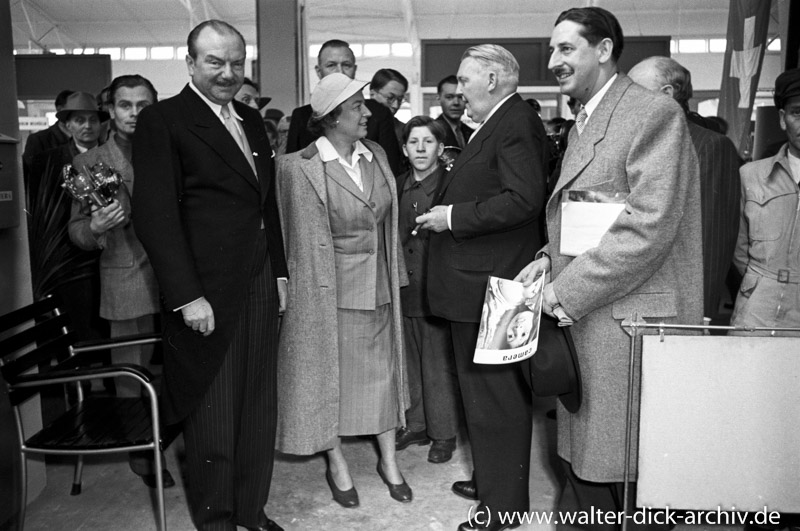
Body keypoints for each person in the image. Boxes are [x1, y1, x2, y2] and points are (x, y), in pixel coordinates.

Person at [515, 7, 702, 529]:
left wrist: (562, 292)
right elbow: (586, 215)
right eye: (551, 49)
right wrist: (546, 263)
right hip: (595, 317)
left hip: (626, 324)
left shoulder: (650, 114)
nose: (553, 60)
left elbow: (647, 227)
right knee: (588, 469)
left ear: (603, 50)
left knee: (621, 477)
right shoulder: (589, 118)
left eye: (566, 48)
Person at [132, 20, 287, 531]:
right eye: (215, 62)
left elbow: (266, 204)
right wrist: (187, 296)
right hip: (205, 291)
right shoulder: (164, 120)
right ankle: (218, 518)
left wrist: (281, 272)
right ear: (191, 62)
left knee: (259, 402)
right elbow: (155, 216)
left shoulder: (248, 117)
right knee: (214, 409)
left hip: (262, 278)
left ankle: (250, 507)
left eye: (236, 62)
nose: (228, 73)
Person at [415, 44, 548, 531]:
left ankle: (503, 508)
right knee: (486, 398)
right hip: (483, 286)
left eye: (465, 82)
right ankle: (496, 480)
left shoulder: (513, 122)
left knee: (496, 401)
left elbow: (523, 199)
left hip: (492, 290)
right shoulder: (500, 122)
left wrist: (452, 216)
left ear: (491, 79)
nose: (458, 91)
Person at [275, 73, 411, 508]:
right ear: (331, 118)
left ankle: (389, 462)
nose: (367, 113)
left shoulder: (376, 155)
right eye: (357, 107)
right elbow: (288, 235)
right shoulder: (297, 167)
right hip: (328, 296)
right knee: (328, 383)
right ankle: (337, 464)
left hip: (381, 290)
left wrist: (398, 275)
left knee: (384, 379)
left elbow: (388, 225)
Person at [67, 74, 175, 489]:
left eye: (143, 105)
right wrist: (94, 226)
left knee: (178, 369)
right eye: (126, 105)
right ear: (111, 110)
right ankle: (141, 449)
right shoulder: (89, 162)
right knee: (132, 373)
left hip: (175, 278)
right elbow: (75, 232)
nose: (134, 113)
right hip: (125, 278)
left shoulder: (169, 150)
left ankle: (174, 436)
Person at [628, 56, 742, 325]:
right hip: (632, 294)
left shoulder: (710, 147)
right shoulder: (635, 143)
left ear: (667, 93)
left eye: (634, 91)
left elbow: (712, 237)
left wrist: (700, 311)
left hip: (680, 303)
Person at [394, 115, 460, 464]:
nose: (421, 149)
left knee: (436, 363)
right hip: (405, 285)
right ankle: (416, 423)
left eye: (428, 142)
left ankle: (443, 433)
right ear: (404, 149)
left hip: (436, 286)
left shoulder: (451, 184)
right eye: (414, 142)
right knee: (409, 359)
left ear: (440, 148)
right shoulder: (397, 183)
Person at [731, 68, 800, 338]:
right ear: (783, 120)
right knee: (749, 374)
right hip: (757, 305)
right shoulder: (751, 175)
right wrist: (762, 283)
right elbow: (738, 248)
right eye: (798, 113)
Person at [284, 39, 404, 175]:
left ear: (355, 69)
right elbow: (291, 172)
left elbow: (391, 171)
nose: (339, 71)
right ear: (318, 71)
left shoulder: (378, 113)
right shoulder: (302, 116)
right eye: (331, 65)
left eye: (346, 65)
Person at [22, 89, 74, 187]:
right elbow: (30, 178)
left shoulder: (88, 139)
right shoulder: (39, 140)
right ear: (59, 110)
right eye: (72, 109)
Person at [369, 68, 408, 153]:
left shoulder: (404, 131)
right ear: (372, 94)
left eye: (400, 99)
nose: (395, 105)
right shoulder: (357, 127)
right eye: (390, 98)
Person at [434, 75, 474, 150]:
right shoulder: (431, 131)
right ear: (439, 99)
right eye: (449, 97)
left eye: (460, 97)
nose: (456, 102)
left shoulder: (472, 133)